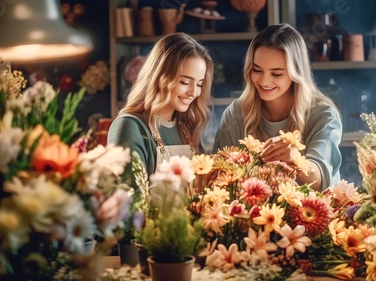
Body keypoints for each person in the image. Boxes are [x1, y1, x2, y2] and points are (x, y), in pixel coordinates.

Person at [213, 23, 342, 191]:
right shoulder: (235, 113)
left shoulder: (323, 114)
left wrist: (295, 159)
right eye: (257, 70)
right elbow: (219, 174)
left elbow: (320, 180)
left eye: (276, 74)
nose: (264, 81)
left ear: (296, 74)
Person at [108, 32, 213, 176]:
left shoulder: (187, 128)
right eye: (185, 82)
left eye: (200, 84)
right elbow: (132, 196)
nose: (194, 92)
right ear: (160, 77)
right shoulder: (130, 127)